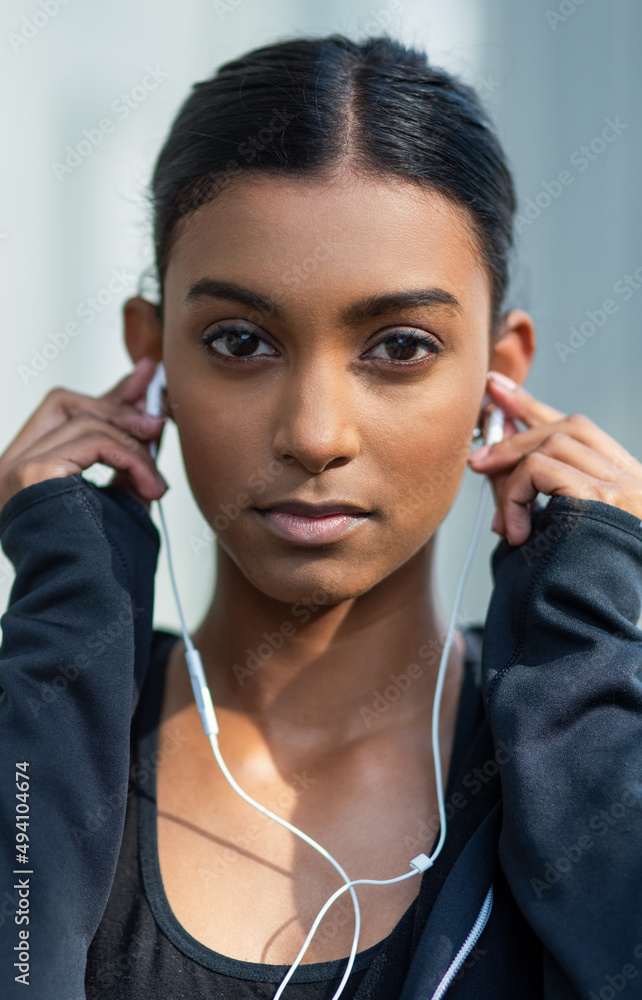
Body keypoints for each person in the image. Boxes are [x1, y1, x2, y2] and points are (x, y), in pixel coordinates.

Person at [0, 32, 641, 1000]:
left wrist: (596, 657)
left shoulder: (598, 742)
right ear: (152, 356)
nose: (313, 433)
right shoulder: (32, 733)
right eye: (241, 340)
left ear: (498, 378)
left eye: (399, 346)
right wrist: (56, 658)